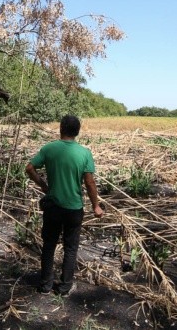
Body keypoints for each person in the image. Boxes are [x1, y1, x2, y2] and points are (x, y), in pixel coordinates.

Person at [25, 115, 104, 295]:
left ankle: (45, 285)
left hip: (52, 205)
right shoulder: (84, 153)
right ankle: (64, 287)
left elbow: (29, 168)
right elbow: (90, 182)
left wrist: (44, 185)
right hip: (73, 208)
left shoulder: (49, 149)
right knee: (70, 247)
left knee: (49, 245)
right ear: (77, 131)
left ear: (61, 128)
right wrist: (96, 206)